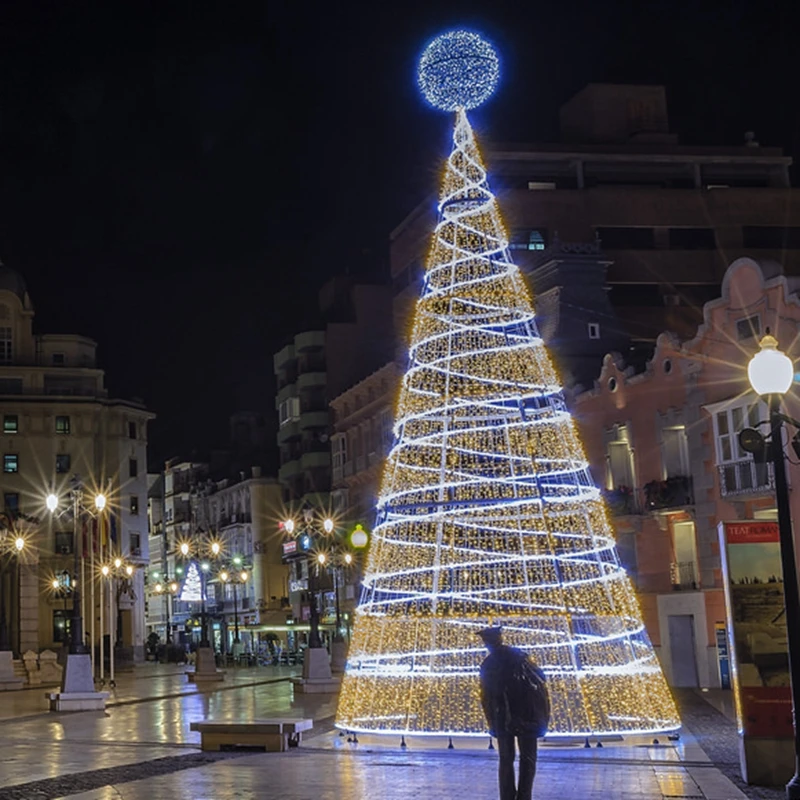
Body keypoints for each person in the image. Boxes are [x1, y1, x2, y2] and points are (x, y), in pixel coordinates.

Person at [478, 626, 549, 800]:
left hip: (505, 718)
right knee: (527, 759)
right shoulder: (520, 657)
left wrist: (492, 722)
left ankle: (508, 796)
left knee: (506, 760)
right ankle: (524, 796)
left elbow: (486, 697)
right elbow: (540, 678)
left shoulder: (489, 664)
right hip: (525, 716)